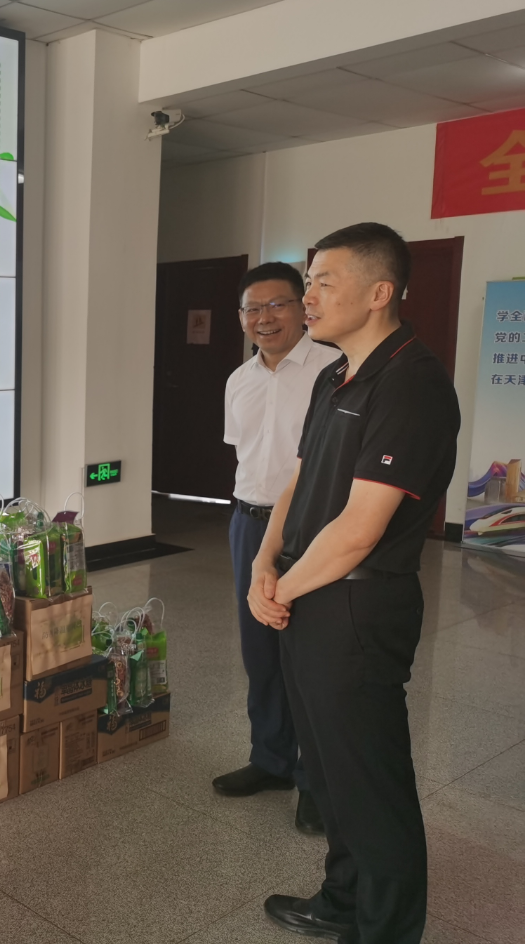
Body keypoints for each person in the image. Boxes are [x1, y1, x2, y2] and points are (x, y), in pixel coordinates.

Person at [248, 223, 460, 944]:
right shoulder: (334, 376)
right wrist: (264, 563)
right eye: (307, 281)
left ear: (379, 292)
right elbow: (299, 482)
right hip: (307, 593)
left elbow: (361, 528)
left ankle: (387, 929)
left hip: (358, 606)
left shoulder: (413, 383)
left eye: (323, 283)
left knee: (371, 782)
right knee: (329, 769)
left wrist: (281, 591)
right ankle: (342, 899)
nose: (306, 297)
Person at [214, 262, 339, 835]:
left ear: (302, 307)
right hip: (248, 523)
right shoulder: (239, 380)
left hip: (311, 527)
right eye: (252, 309)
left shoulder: (332, 371)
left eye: (276, 305)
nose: (264, 318)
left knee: (309, 658)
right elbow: (247, 456)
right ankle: (271, 760)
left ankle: (316, 781)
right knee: (260, 651)